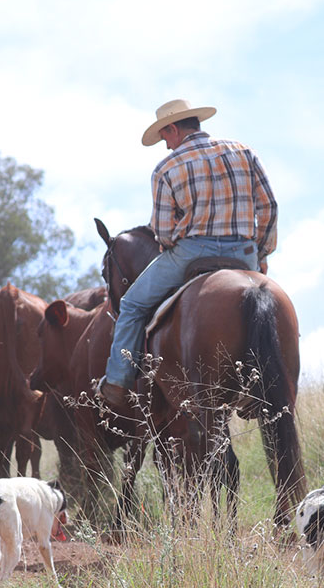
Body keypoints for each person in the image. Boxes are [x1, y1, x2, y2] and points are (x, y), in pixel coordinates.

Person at [97, 99, 279, 409]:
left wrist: (179, 240)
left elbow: (164, 234)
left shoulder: (166, 169)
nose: (166, 145)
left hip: (192, 254)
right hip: (245, 253)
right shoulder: (244, 152)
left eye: (165, 137)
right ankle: (261, 382)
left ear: (173, 128)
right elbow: (269, 207)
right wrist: (261, 251)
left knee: (132, 305)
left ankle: (117, 381)